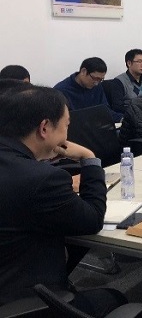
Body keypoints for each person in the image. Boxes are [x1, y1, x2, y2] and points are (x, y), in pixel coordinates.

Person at [0, 84, 127, 316]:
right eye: (67, 125)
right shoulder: (42, 179)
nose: (67, 134)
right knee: (115, 298)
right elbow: (92, 219)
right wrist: (89, 158)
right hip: (21, 298)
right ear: (44, 128)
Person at [54, 57, 122, 123]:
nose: (96, 83)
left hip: (96, 126)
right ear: (83, 71)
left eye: (100, 80)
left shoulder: (97, 86)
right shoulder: (61, 91)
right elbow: (61, 122)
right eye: (95, 78)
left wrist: (122, 119)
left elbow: (105, 111)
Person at [112, 48, 142, 113]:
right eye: (139, 62)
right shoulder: (119, 82)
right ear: (129, 63)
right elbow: (118, 107)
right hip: (132, 114)